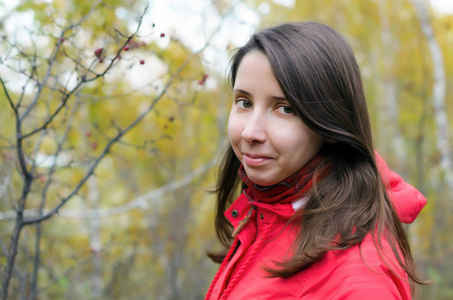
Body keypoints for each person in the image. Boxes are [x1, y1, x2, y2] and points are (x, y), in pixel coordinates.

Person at [205, 22, 428, 299]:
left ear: (331, 126)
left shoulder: (361, 279)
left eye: (284, 108)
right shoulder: (267, 215)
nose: (250, 131)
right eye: (244, 102)